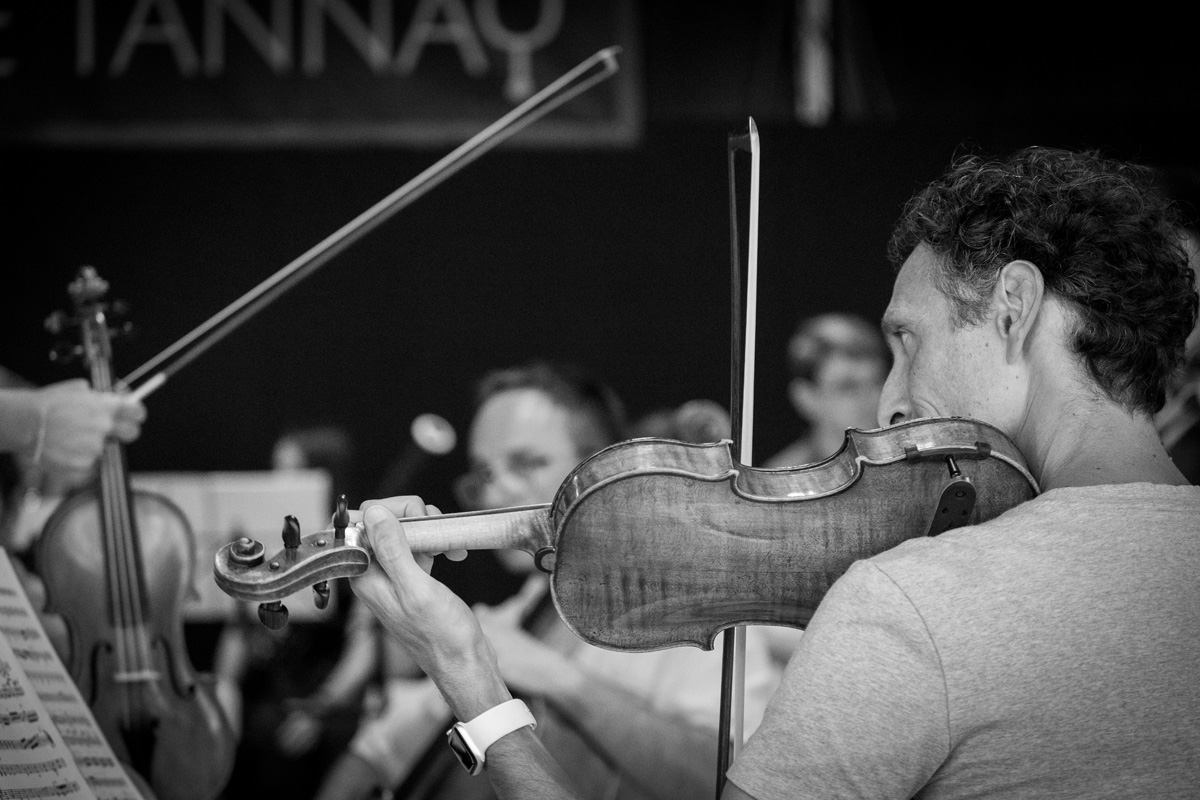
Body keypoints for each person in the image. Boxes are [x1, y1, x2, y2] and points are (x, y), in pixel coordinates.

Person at [347, 146, 1200, 799]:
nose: (890, 401)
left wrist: (470, 679)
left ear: (1014, 306)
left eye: (907, 341)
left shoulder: (916, 602)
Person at [315, 361, 777, 800]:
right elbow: (380, 749)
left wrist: (560, 680)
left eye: (527, 463)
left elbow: (727, 782)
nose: (497, 492)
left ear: (599, 472)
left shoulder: (697, 613)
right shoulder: (516, 615)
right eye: (484, 474)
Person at [763, 312, 888, 469]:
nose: (872, 399)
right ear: (805, 398)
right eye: (848, 387)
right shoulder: (781, 478)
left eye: (877, 383)